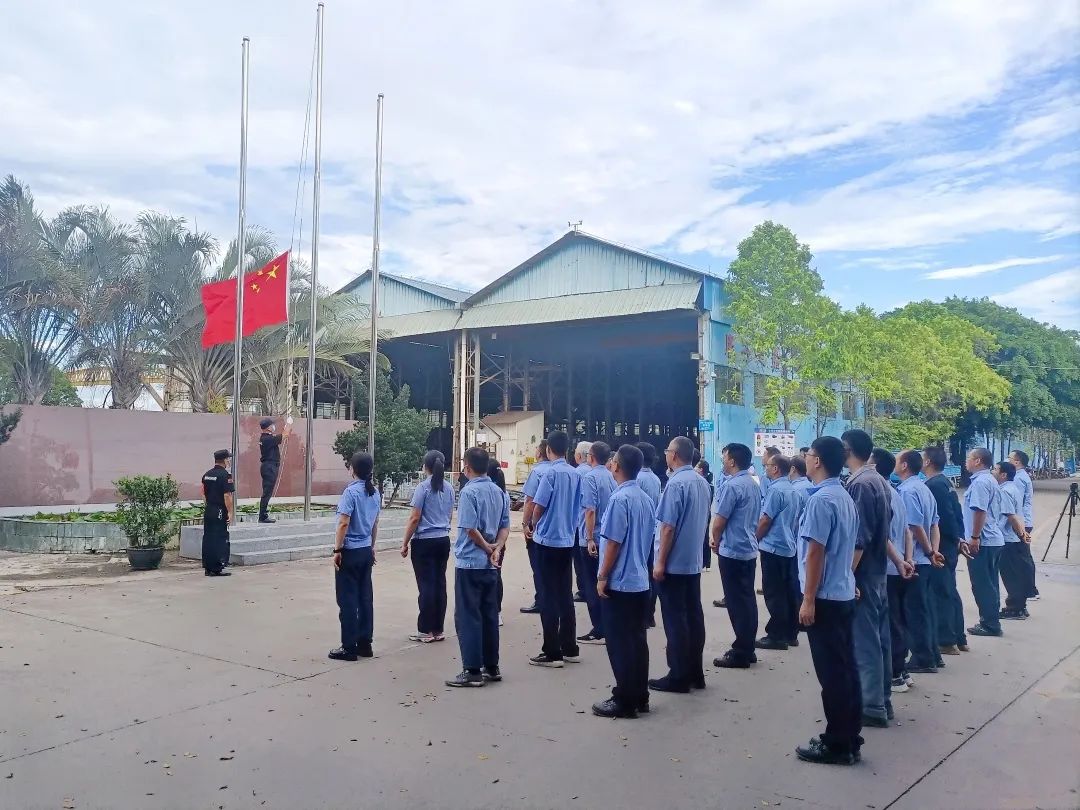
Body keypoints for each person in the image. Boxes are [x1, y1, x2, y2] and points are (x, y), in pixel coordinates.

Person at [794, 436, 863, 766]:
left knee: (833, 675)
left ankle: (837, 742)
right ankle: (850, 736)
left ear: (817, 460)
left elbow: (816, 551)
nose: (805, 459)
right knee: (846, 670)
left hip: (826, 597)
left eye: (808, 455)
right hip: (842, 592)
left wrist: (808, 599)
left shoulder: (822, 500)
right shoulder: (843, 496)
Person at [592, 444, 655, 719]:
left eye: (613, 461)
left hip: (621, 582)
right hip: (639, 580)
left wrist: (603, 576)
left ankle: (625, 699)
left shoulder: (620, 500)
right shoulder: (644, 498)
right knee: (637, 641)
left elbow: (614, 542)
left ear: (617, 466)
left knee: (620, 643)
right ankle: (640, 695)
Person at [841, 429, 896, 729]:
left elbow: (859, 538)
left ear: (847, 450)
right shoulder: (878, 481)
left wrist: (848, 576)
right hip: (877, 570)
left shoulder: (861, 484)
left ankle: (872, 703)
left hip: (864, 572)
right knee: (879, 637)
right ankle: (882, 699)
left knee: (865, 641)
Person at [650, 436, 711, 693]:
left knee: (676, 620)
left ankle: (678, 675)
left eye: (667, 451)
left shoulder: (675, 484)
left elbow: (667, 528)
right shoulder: (701, 482)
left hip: (674, 563)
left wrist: (660, 562)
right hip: (692, 561)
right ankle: (695, 672)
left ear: (674, 455)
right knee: (693, 617)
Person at [444, 446, 509, 687]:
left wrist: (487, 548)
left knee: (468, 616)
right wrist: (497, 548)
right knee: (489, 615)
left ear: (467, 466)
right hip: (490, 565)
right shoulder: (499, 492)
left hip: (471, 563)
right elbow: (504, 526)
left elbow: (470, 529)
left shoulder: (469, 493)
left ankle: (472, 669)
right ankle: (491, 666)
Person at [527, 431, 581, 667]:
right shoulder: (575, 473)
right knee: (565, 593)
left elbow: (538, 506)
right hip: (567, 539)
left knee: (547, 595)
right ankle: (569, 646)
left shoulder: (549, 473)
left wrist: (533, 524)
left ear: (548, 450)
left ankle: (552, 651)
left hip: (547, 540)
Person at [709, 442, 761, 668]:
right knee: (747, 600)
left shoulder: (732, 486)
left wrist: (716, 540)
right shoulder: (752, 483)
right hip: (748, 548)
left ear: (732, 460)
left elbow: (720, 521)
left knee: (737, 602)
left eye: (725, 456)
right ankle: (748, 648)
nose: (722, 460)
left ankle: (741, 650)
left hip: (733, 549)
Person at [329, 452, 380, 661]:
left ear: (353, 469)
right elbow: (375, 523)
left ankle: (349, 647)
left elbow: (343, 522)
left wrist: (337, 550)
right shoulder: (375, 492)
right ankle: (365, 644)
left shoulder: (351, 493)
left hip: (349, 551)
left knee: (348, 600)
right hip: (366, 549)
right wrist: (372, 546)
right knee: (365, 598)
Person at [895, 449, 943, 674]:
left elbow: (913, 526)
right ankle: (932, 653)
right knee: (924, 608)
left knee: (913, 611)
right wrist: (933, 550)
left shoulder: (906, 491)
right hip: (925, 558)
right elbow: (934, 525)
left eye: (898, 461)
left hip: (914, 558)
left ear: (904, 466)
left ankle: (923, 657)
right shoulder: (924, 488)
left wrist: (926, 551)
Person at [400, 450, 454, 644]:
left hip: (424, 541)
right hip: (443, 540)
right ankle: (438, 629)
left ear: (426, 466)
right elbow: (449, 514)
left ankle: (425, 630)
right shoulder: (448, 488)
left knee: (426, 586)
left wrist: (405, 542)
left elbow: (415, 517)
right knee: (439, 584)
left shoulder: (423, 488)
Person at [873, 450, 913, 694]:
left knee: (890, 624)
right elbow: (907, 531)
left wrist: (899, 561)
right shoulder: (895, 493)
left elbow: (883, 535)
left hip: (889, 568)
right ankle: (901, 670)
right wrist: (907, 559)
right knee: (898, 620)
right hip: (898, 566)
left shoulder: (882, 494)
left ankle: (896, 672)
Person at [922, 446, 968, 655]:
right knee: (949, 589)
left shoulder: (933, 486)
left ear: (928, 462)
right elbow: (957, 514)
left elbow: (943, 519)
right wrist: (960, 537)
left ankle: (947, 640)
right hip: (950, 543)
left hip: (941, 545)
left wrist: (938, 546)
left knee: (941, 591)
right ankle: (959, 637)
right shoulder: (945, 483)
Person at [756, 454, 801, 650]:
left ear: (776, 469)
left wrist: (755, 537)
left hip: (773, 546)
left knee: (774, 594)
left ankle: (776, 635)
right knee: (788, 592)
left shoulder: (775, 490)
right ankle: (791, 633)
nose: (765, 468)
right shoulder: (793, 490)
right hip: (788, 546)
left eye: (768, 465)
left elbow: (766, 519)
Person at [962, 448, 1005, 638]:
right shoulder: (989, 480)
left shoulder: (981, 482)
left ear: (978, 461)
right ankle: (991, 620)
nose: (966, 462)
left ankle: (989, 624)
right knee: (990, 582)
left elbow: (980, 511)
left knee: (982, 584)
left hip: (984, 541)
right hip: (992, 539)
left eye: (969, 458)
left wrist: (974, 536)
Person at [578, 441, 617, 645]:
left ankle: (599, 629)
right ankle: (608, 626)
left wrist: (589, 537)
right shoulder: (612, 476)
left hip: (594, 538)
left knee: (591, 583)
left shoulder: (590, 477)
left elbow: (590, 509)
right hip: (608, 535)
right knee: (605, 582)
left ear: (590, 457)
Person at [994, 461, 1032, 621]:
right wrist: (1023, 533)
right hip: (1014, 537)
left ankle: (1015, 608)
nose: (993, 472)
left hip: (1008, 539)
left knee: (1010, 575)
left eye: (995, 469)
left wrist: (1021, 534)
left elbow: (1011, 515)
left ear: (1003, 474)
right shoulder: (1013, 488)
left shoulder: (1005, 491)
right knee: (1017, 573)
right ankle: (1019, 606)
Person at [519, 439, 550, 614]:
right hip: (562, 531)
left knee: (538, 567)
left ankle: (541, 601)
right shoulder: (565, 471)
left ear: (541, 452)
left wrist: (526, 524)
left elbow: (530, 501)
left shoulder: (537, 471)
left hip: (539, 528)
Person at [636, 441, 662, 626]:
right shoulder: (655, 478)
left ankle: (642, 613)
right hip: (652, 530)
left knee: (641, 572)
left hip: (641, 531)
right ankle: (649, 613)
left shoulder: (637, 478)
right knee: (650, 573)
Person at [1008, 450, 1039, 600]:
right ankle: (1030, 588)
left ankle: (1029, 590)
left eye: (1010, 458)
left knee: (1022, 557)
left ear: (1017, 462)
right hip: (1023, 520)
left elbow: (1015, 503)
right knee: (1024, 555)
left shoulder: (1018, 479)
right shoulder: (1020, 476)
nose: (1007, 460)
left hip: (1022, 522)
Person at [201, 449, 234, 577]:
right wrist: (230, 512)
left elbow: (203, 493)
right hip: (220, 509)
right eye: (228, 459)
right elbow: (227, 496)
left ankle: (208, 567)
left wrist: (209, 505)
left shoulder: (207, 474)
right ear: (225, 460)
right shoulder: (225, 476)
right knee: (220, 537)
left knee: (208, 537)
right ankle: (217, 567)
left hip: (209, 509)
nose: (229, 461)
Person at [488, 459, 511, 626]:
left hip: (487, 541)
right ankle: (497, 612)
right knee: (497, 575)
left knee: (489, 576)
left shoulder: (489, 492)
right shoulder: (504, 493)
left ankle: (490, 611)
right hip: (500, 542)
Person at [572, 440, 594, 605]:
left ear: (579, 455)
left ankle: (583, 590)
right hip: (595, 523)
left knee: (580, 561)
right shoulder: (597, 472)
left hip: (579, 522)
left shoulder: (577, 473)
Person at [257, 417, 290, 523]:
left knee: (267, 492)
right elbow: (285, 435)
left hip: (268, 466)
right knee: (267, 492)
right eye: (271, 425)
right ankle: (263, 516)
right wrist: (289, 424)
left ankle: (263, 515)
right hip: (269, 467)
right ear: (268, 428)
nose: (273, 426)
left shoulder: (266, 438)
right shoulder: (267, 439)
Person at [696, 460, 715, 570]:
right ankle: (706, 563)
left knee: (703, 537)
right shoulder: (707, 484)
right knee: (704, 537)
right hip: (706, 513)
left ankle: (704, 562)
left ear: (701, 469)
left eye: (697, 467)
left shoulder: (705, 484)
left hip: (703, 513)